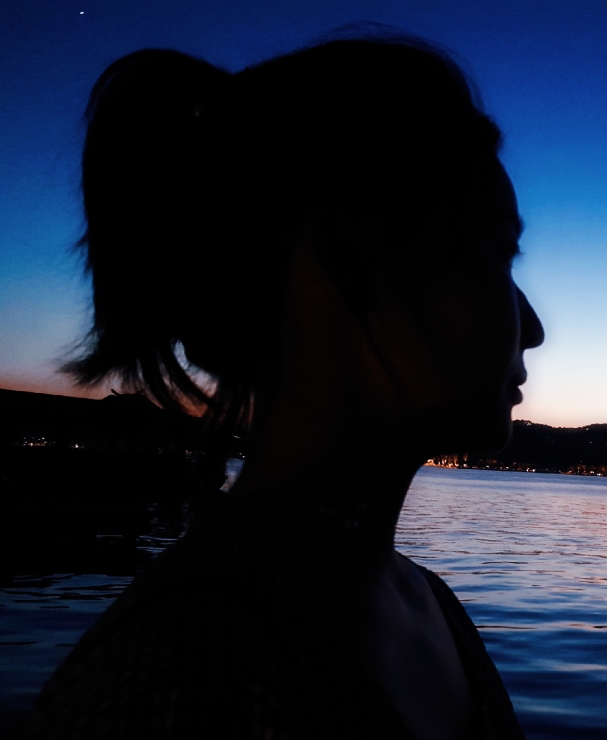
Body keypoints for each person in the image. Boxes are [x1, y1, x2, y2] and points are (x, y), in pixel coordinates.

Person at [25, 35, 543, 740]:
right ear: (349, 261)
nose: (533, 327)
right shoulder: (198, 679)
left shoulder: (428, 603)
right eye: (497, 257)